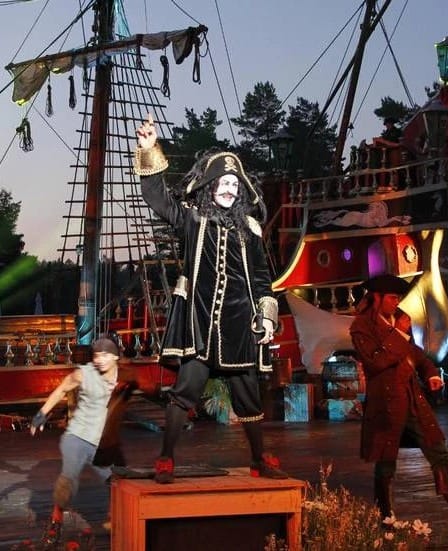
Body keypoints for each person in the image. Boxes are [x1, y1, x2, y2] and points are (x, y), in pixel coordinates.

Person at [134, 114, 287, 483]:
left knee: (249, 398)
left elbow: (263, 280)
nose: (229, 189)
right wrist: (149, 149)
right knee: (184, 393)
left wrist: (267, 317)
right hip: (201, 326)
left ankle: (259, 459)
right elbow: (157, 198)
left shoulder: (250, 230)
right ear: (210, 185)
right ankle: (166, 458)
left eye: (235, 184)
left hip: (239, 328)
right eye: (224, 182)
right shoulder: (193, 220)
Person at [349, 274, 448, 533]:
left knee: (438, 450)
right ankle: (386, 520)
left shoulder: (399, 319)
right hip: (385, 404)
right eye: (392, 298)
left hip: (412, 399)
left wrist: (430, 373)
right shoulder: (362, 327)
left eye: (398, 298)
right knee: (385, 462)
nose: (396, 302)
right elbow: (376, 361)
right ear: (377, 298)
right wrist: (398, 332)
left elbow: (415, 354)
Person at [30, 337, 122, 548]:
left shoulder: (122, 377)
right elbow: (62, 388)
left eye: (104, 355)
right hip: (77, 437)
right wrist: (41, 415)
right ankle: (55, 520)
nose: (99, 360)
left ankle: (115, 518)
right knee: (68, 480)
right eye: (96, 356)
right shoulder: (85, 373)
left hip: (100, 442)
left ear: (115, 357)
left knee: (116, 482)